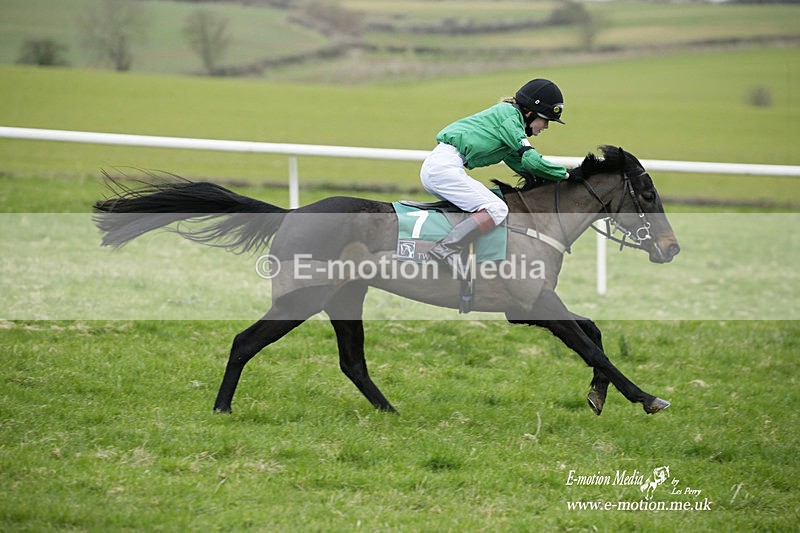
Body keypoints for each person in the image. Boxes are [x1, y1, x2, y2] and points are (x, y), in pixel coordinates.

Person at [420, 78, 570, 276]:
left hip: (443, 166)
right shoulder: (509, 117)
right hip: (443, 167)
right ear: (529, 112)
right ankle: (445, 249)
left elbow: (524, 165)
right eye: (546, 120)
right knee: (496, 209)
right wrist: (568, 175)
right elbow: (532, 160)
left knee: (496, 200)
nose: (546, 127)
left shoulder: (509, 122)